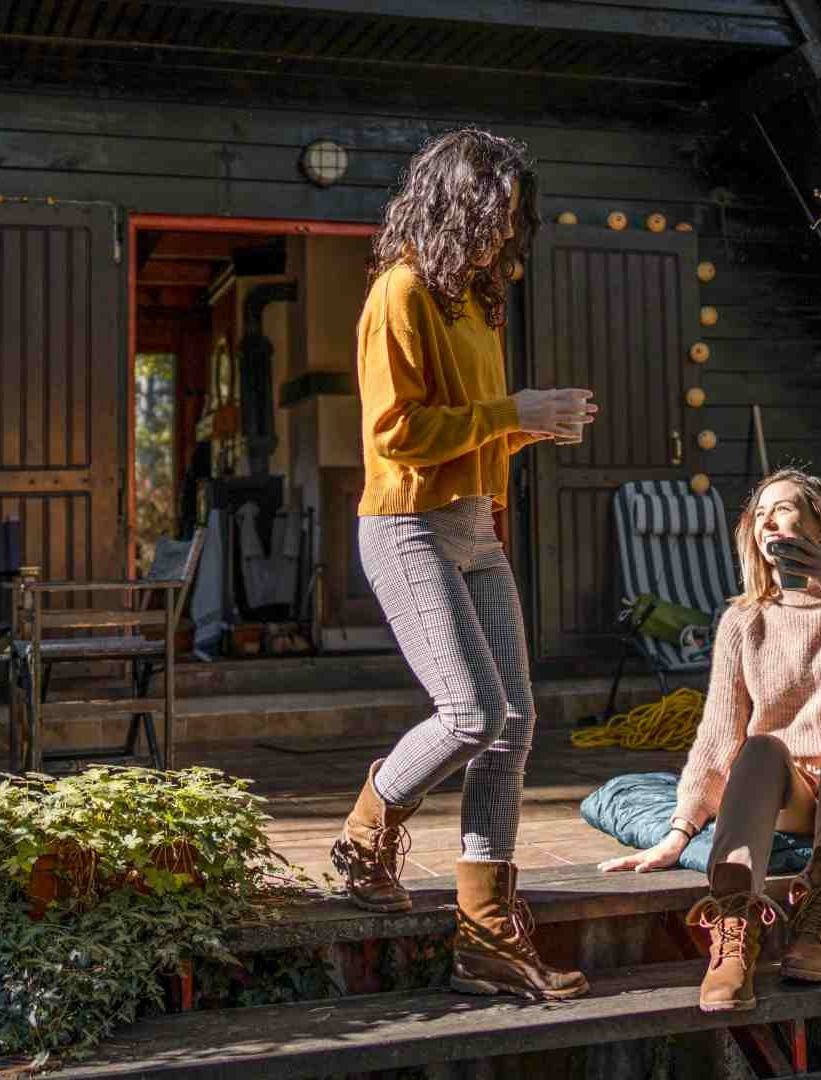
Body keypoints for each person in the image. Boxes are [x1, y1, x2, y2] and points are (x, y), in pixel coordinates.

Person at [332, 128, 596, 1003]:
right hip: (407, 527)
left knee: (513, 723)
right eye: (494, 213)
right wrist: (506, 410)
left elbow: (474, 426)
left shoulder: (475, 302)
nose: (503, 232)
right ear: (454, 203)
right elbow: (397, 435)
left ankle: (485, 932)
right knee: (472, 710)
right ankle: (366, 828)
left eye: (514, 218)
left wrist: (530, 422)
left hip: (474, 528)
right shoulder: (398, 293)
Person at [600, 469, 821, 1013]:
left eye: (783, 509)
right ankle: (734, 921)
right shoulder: (744, 619)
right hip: (797, 797)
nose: (768, 522)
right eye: (759, 514)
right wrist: (680, 828)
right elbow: (718, 733)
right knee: (759, 747)